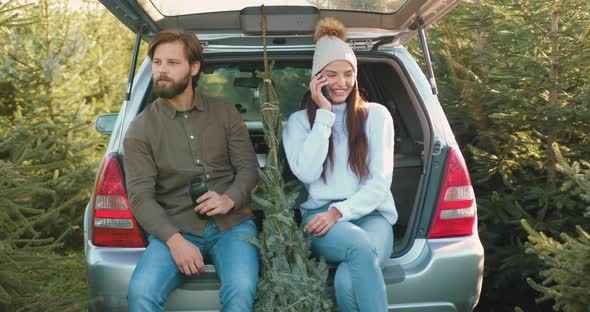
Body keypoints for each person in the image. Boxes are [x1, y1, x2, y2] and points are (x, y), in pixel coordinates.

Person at [123, 29, 259, 312]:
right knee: (141, 293)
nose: (162, 70)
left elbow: (248, 168)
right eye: (157, 62)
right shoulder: (140, 129)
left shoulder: (225, 113)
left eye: (172, 63)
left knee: (242, 290)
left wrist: (229, 198)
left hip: (232, 226)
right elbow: (140, 197)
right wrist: (175, 242)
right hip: (176, 228)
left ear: (194, 68)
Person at [282, 18, 398, 311]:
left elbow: (379, 183)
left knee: (347, 282)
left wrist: (340, 211)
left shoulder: (377, 116)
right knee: (360, 247)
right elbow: (307, 172)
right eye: (331, 74)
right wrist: (324, 114)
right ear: (316, 78)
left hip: (373, 216)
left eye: (348, 74)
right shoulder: (299, 123)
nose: (341, 83)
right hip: (321, 217)